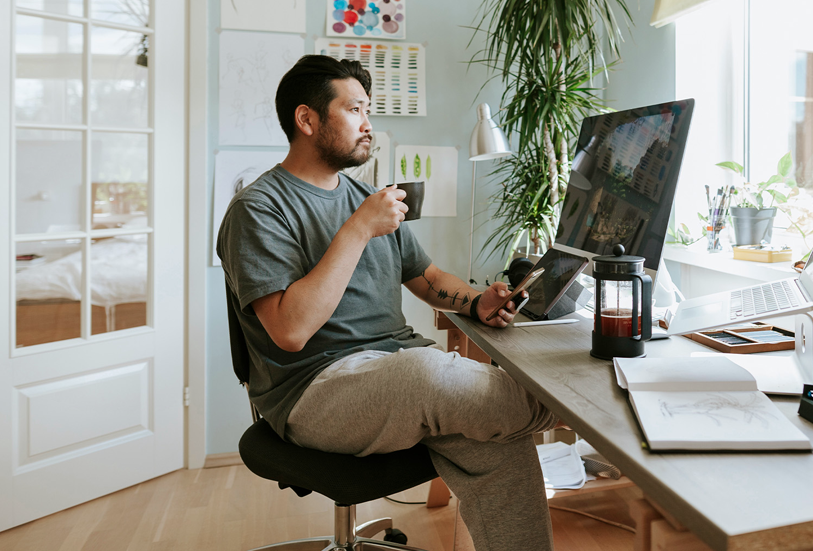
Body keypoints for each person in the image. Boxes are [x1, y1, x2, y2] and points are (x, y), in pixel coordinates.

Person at [216, 55, 558, 551]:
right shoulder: (259, 209)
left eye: (368, 109)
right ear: (307, 119)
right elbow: (291, 331)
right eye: (354, 109)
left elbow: (428, 278)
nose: (368, 124)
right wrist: (357, 229)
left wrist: (478, 301)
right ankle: (573, 407)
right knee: (431, 373)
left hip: (397, 373)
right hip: (315, 390)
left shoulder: (364, 196)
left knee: (496, 438)